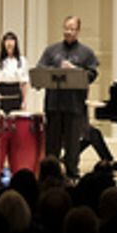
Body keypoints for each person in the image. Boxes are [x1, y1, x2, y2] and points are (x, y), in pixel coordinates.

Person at [36, 15, 99, 179]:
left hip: (75, 105)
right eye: (66, 28)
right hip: (53, 104)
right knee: (52, 144)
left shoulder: (86, 52)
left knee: (72, 145)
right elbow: (40, 70)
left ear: (78, 31)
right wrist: (56, 70)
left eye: (72, 29)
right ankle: (51, 176)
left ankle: (71, 175)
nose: (68, 32)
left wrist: (74, 70)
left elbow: (92, 74)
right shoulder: (51, 50)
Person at [0, 30, 29, 113]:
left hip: (15, 91)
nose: (9, 43)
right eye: (7, 40)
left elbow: (24, 83)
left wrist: (25, 101)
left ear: (15, 43)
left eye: (12, 40)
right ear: (3, 43)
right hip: (1, 91)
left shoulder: (22, 60)